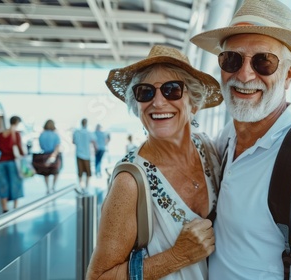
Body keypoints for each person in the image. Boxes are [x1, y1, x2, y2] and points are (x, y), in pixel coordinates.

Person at [191, 0, 291, 279]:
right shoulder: (227, 138)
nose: (244, 75)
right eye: (232, 59)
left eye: (263, 62)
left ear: (289, 74)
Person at [86, 45, 223, 280]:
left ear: (195, 103)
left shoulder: (210, 151)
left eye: (172, 90)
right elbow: (98, 277)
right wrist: (177, 256)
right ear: (136, 104)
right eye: (145, 92)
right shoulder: (130, 182)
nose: (158, 103)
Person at [0, 115, 25, 213]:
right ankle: (15, 207)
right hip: (13, 162)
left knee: (3, 183)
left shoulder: (1, 134)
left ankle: (4, 207)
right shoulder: (16, 134)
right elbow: (20, 149)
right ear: (17, 123)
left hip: (2, 162)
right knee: (15, 182)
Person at [38, 119, 62, 193]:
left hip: (44, 155)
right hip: (54, 155)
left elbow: (41, 146)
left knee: (46, 172)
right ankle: (53, 187)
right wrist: (53, 155)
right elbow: (57, 147)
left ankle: (47, 188)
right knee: (56, 171)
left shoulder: (42, 135)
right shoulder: (55, 135)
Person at [72, 118, 96, 189]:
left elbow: (73, 141)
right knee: (88, 172)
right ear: (86, 123)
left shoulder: (76, 132)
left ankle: (81, 186)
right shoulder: (89, 132)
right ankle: (86, 186)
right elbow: (93, 141)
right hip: (87, 155)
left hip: (79, 154)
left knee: (80, 172)